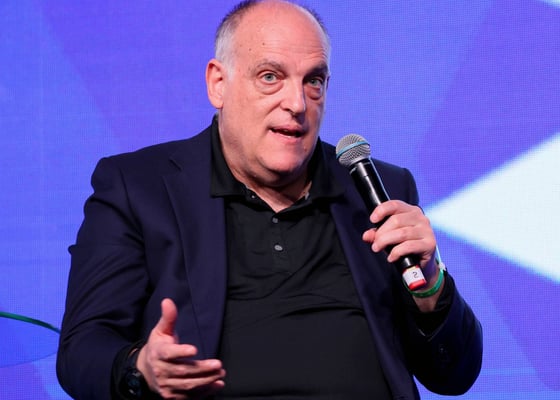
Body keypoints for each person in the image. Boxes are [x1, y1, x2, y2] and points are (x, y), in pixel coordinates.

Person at [56, 0, 482, 399]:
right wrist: (140, 369)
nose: (296, 104)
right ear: (218, 84)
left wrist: (431, 285)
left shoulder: (380, 191)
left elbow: (453, 375)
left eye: (313, 81)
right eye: (270, 77)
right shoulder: (139, 187)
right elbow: (82, 349)